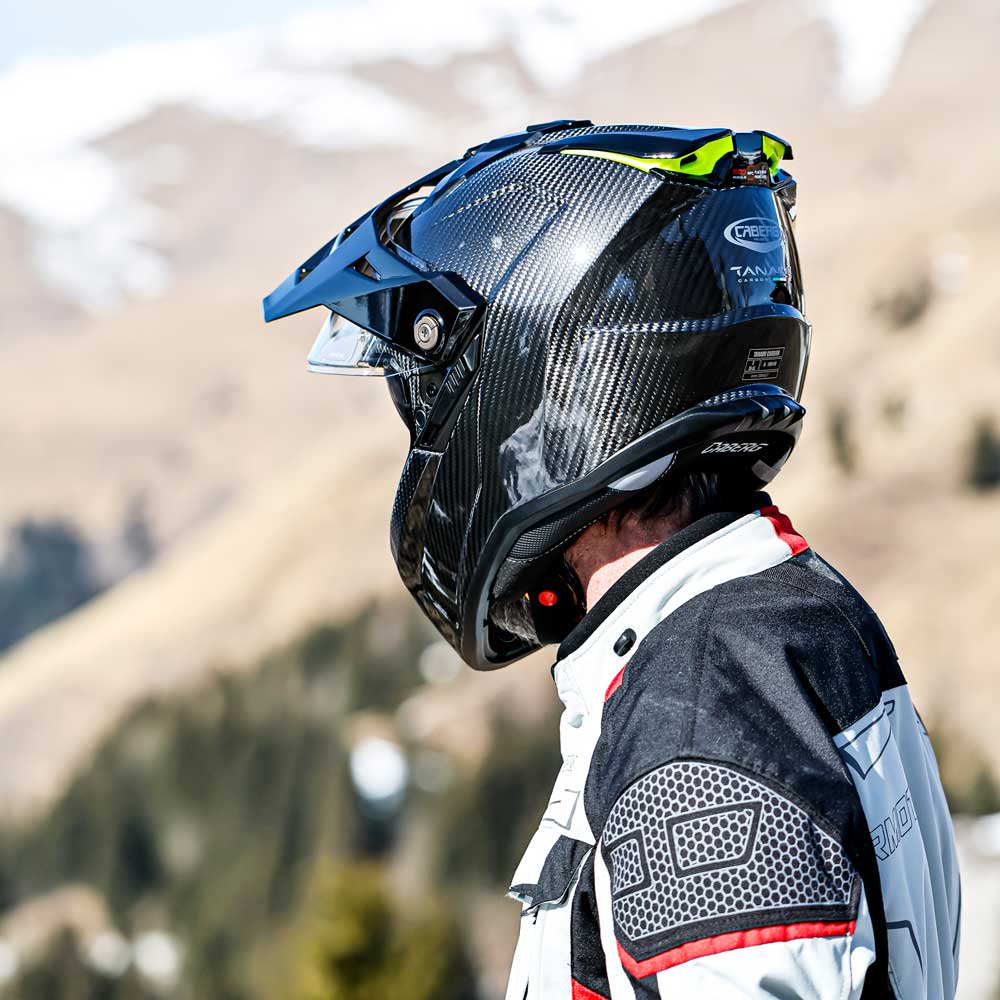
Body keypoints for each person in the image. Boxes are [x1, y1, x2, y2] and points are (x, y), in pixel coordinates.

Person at [263, 121, 961, 998]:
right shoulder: (769, 625)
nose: (429, 435)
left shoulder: (703, 699)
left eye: (432, 401)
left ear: (539, 384)